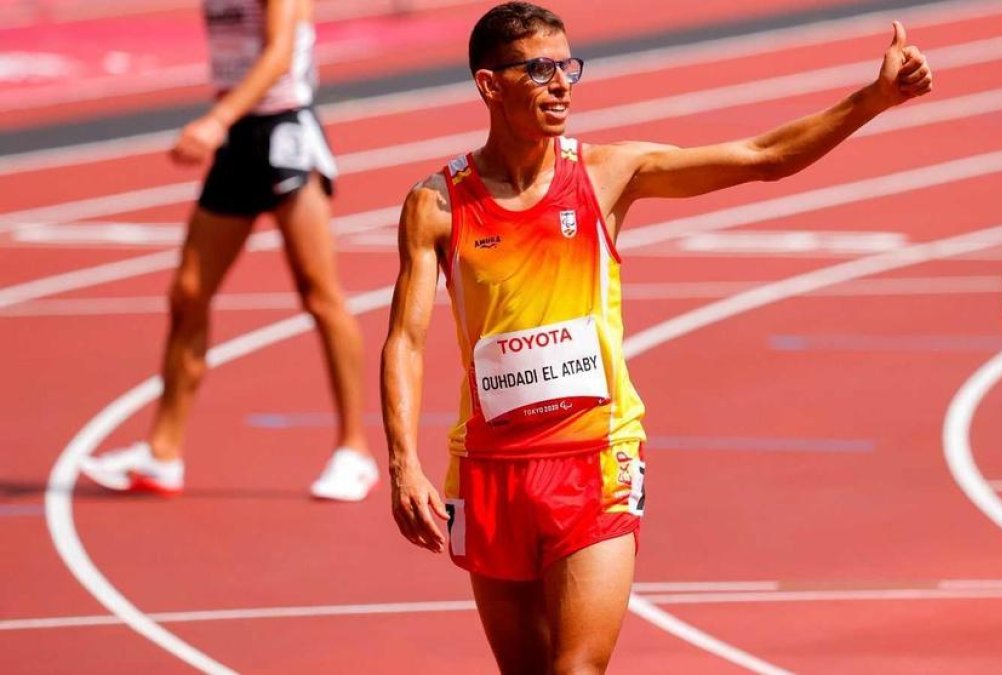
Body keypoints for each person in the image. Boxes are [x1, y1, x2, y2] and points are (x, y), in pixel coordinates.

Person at [380, 2, 931, 672]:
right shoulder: (438, 204)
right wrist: (403, 460)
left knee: (577, 667)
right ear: (490, 85)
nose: (562, 84)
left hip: (597, 459)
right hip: (490, 469)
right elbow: (406, 339)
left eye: (568, 67)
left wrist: (873, 98)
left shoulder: (609, 174)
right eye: (540, 69)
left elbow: (764, 157)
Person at [80, 0, 378, 502]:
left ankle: (355, 450)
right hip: (239, 140)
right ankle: (163, 452)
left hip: (283, 131)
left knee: (318, 293)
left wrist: (216, 119)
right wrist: (226, 123)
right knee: (188, 292)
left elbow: (280, 51)